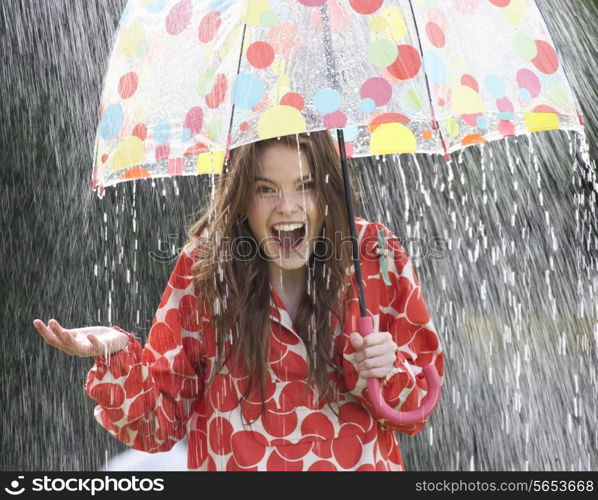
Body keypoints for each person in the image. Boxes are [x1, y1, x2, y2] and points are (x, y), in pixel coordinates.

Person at [33, 130, 444, 471]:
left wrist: (383, 371)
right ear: (241, 198)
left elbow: (418, 407)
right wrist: (119, 356)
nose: (288, 207)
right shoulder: (205, 268)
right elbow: (157, 427)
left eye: (306, 185)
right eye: (266, 189)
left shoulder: (374, 254)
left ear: (329, 189)